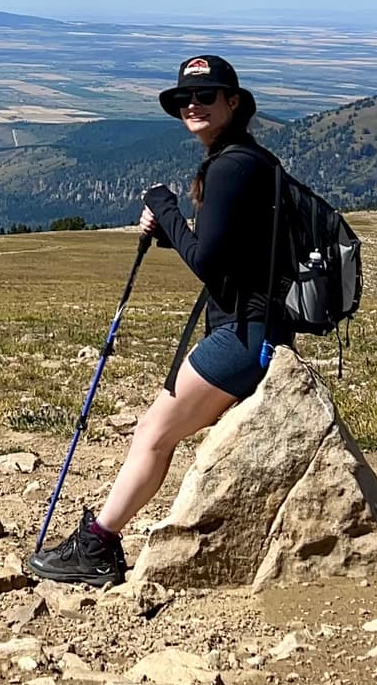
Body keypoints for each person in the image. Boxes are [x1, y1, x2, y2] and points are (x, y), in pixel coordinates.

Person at [25, 52, 293, 587]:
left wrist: (164, 205)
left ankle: (99, 545)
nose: (194, 105)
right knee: (156, 431)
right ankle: (103, 540)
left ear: (233, 103)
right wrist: (174, 226)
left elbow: (211, 265)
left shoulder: (231, 166)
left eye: (206, 96)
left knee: (152, 432)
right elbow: (225, 255)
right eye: (186, 98)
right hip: (256, 327)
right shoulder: (250, 161)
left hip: (243, 334)